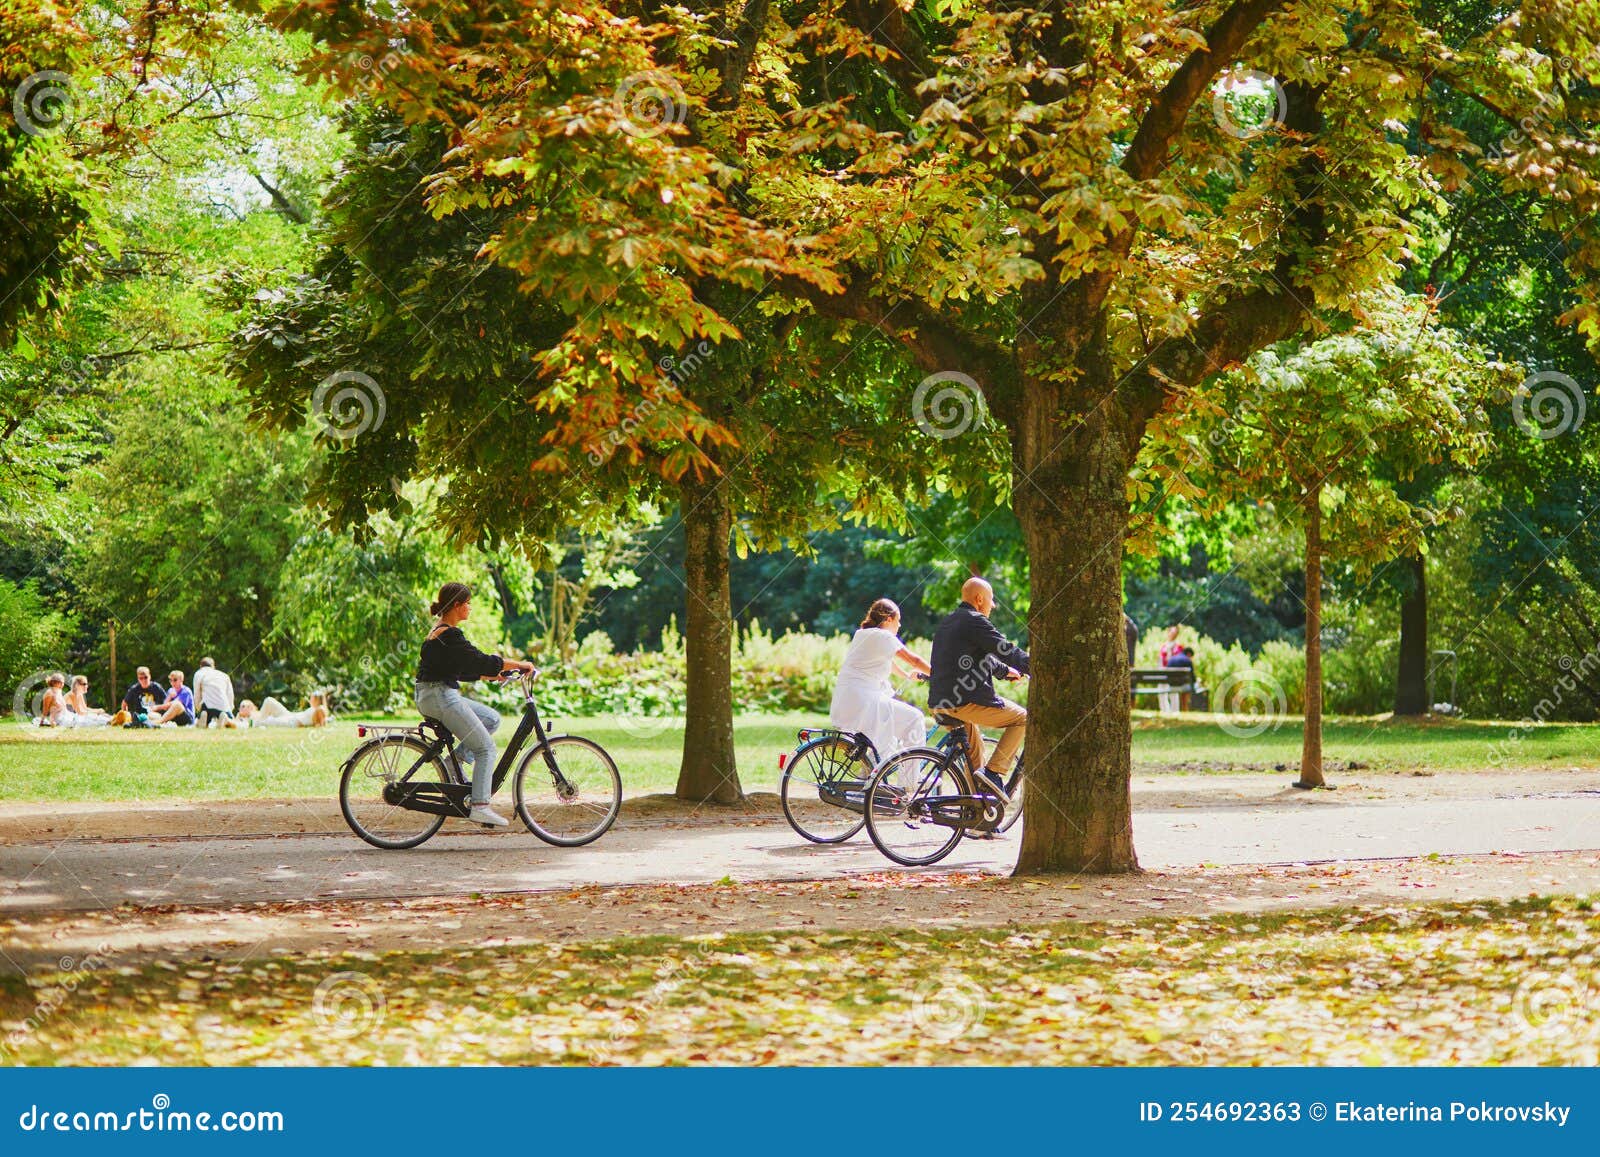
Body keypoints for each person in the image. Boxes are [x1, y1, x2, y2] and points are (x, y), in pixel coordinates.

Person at [414, 581, 534, 828]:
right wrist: (519, 664)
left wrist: (492, 674)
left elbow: (459, 666)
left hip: (436, 694)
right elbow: (479, 659)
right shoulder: (449, 633)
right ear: (457, 605)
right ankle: (480, 806)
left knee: (491, 718)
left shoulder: (441, 631)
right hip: (440, 697)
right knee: (486, 749)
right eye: (467, 603)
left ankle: (452, 762)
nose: (470, 607)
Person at [927, 577, 1030, 808]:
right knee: (1024, 718)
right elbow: (1005, 649)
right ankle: (995, 772)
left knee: (975, 755)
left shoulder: (949, 622)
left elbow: (982, 658)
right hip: (964, 701)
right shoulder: (975, 621)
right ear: (980, 599)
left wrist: (1006, 672)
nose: (992, 607)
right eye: (991, 602)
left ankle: (978, 816)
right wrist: (1037, 665)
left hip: (939, 702)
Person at [829, 598, 931, 765]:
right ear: (888, 619)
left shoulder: (862, 634)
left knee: (886, 744)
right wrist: (939, 673)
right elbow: (914, 660)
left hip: (848, 702)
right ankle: (909, 783)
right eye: (898, 621)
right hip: (865, 703)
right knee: (915, 719)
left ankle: (866, 784)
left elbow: (888, 662)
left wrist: (906, 675)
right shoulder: (884, 636)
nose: (899, 626)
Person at [236, 692, 328, 728]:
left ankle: (247, 721)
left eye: (311, 698)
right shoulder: (313, 709)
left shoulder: (320, 709)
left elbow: (320, 724)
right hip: (290, 715)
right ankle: (252, 718)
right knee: (269, 700)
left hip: (292, 722)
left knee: (267, 721)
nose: (310, 699)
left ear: (316, 699)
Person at [191, 657, 236, 728]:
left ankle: (203, 715)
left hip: (207, 705)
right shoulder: (224, 675)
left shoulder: (198, 674)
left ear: (200, 666)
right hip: (223, 705)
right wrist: (230, 709)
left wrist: (199, 709)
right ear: (213, 666)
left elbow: (197, 694)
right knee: (233, 725)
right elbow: (230, 695)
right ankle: (226, 719)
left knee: (199, 723)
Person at [1158, 625, 1184, 714]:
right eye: (1171, 632)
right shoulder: (1163, 646)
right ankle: (1164, 710)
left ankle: (1175, 710)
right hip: (1164, 671)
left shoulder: (1179, 647)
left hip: (1173, 673)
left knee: (1174, 691)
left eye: (1174, 633)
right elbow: (1160, 660)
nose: (1172, 634)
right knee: (1162, 690)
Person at [1166, 644, 1196, 712]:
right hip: (1182, 686)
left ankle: (1175, 709)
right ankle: (1185, 708)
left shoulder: (1172, 659)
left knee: (1183, 685)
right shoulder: (1187, 660)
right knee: (1187, 687)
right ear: (1189, 654)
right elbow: (1192, 676)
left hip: (1171, 685)